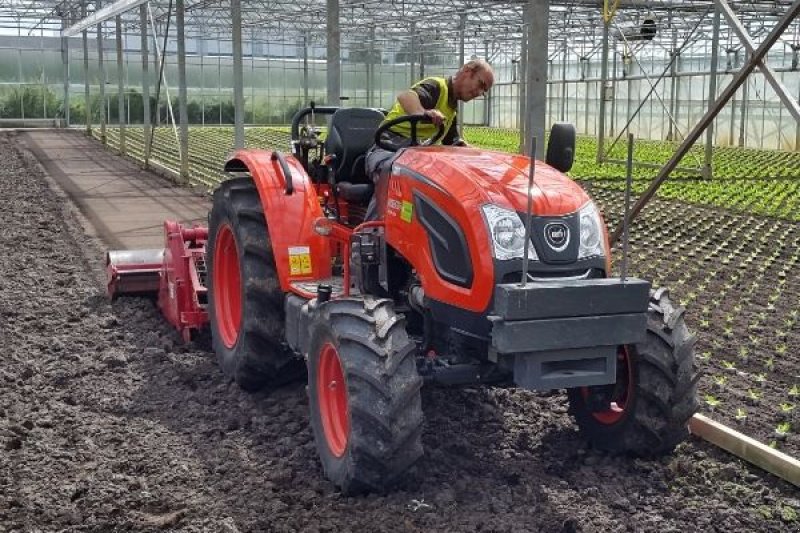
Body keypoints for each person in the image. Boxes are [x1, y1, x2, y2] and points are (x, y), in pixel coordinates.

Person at [364, 59, 494, 218]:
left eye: (484, 91)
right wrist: (422, 113)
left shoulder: (451, 109)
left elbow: (454, 143)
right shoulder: (436, 87)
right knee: (393, 171)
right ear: (467, 71)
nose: (480, 93)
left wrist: (484, 157)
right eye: (480, 84)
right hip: (386, 148)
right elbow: (406, 97)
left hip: (411, 156)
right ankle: (373, 232)